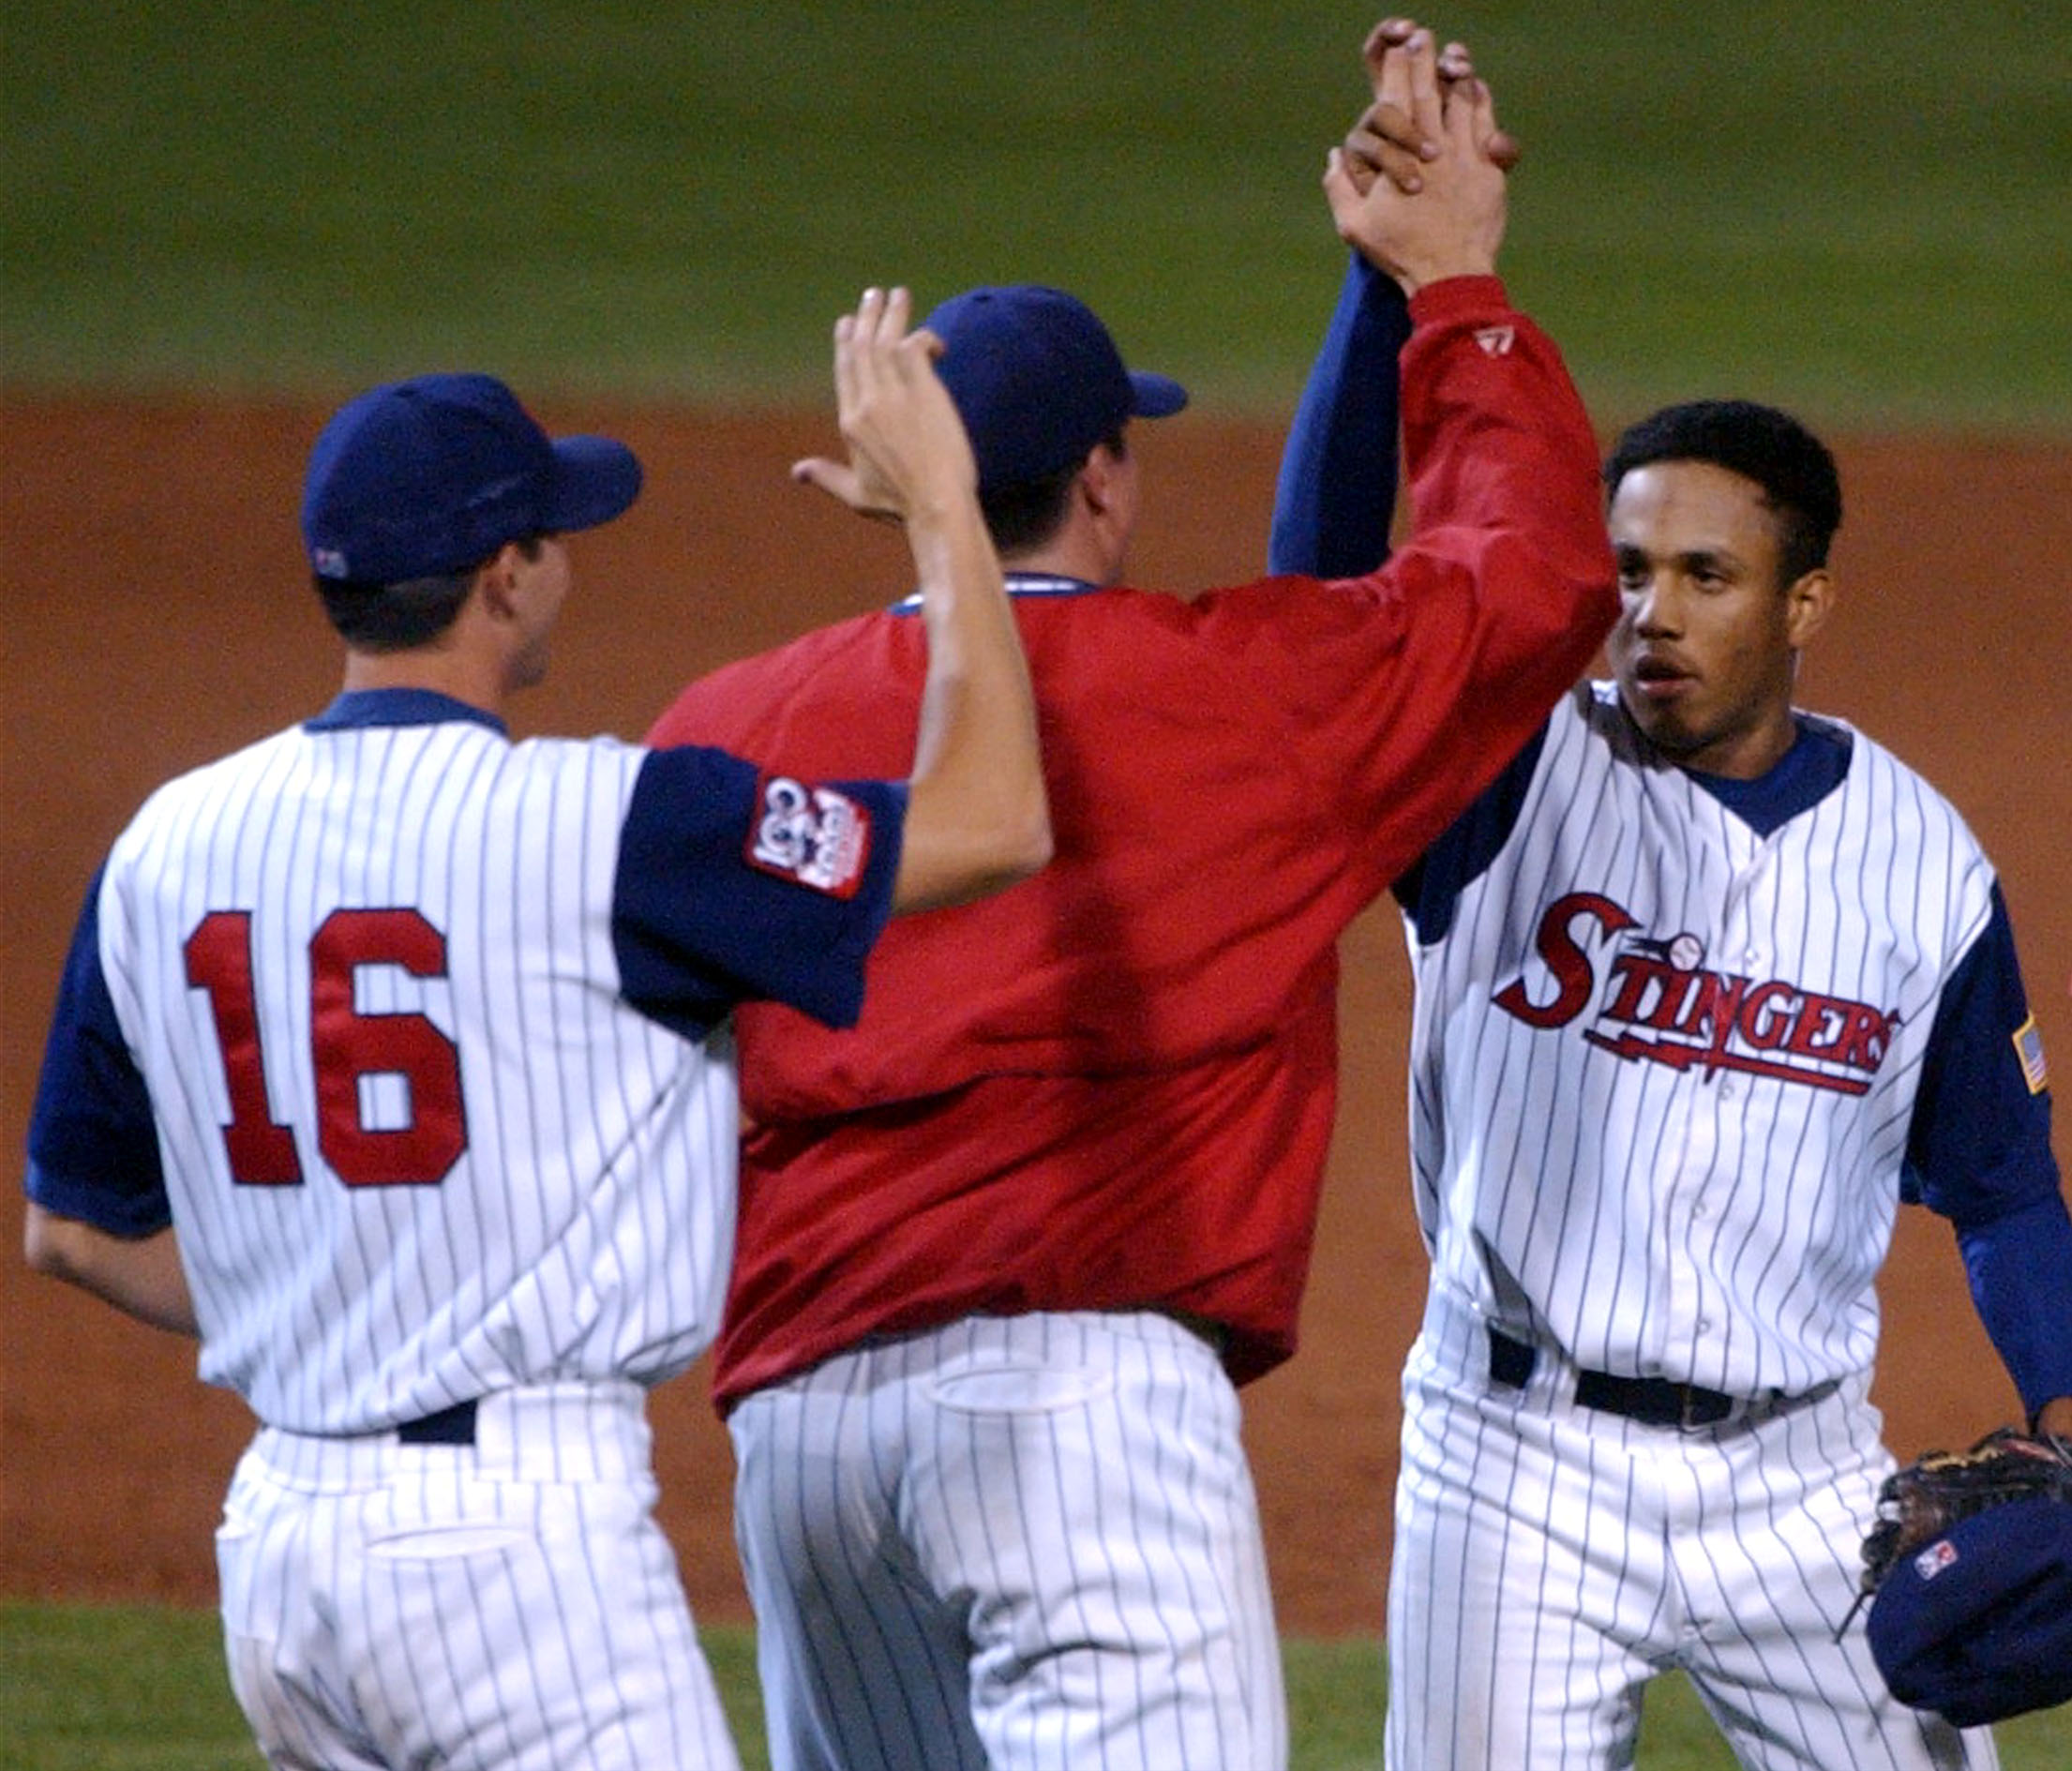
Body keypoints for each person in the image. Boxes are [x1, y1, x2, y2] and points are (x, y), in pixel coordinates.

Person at [644, 25, 1615, 1771]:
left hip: (800, 1434)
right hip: (1078, 1419)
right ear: (1105, 474)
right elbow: (1517, 580)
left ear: (905, 475)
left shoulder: (725, 726)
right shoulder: (1239, 696)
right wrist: (1448, 285)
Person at [20, 287, 1051, 1771]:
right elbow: (992, 817)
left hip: (282, 1557)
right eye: (554, 537)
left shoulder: (162, 846)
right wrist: (947, 510)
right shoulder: (614, 818)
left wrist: (327, 1308)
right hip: (516, 1565)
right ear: (503, 578)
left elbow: (72, 1225)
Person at [1271, 91, 2072, 1771]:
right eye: (1626, 567)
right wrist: (1386, 286)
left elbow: (1997, 1180)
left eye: (1704, 575)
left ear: (1801, 604)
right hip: (1514, 1463)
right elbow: (1323, 608)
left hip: (1801, 1485)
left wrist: (2063, 1401)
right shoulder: (1501, 767)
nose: (1649, 610)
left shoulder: (1918, 860)